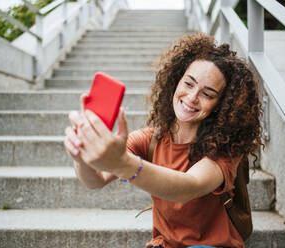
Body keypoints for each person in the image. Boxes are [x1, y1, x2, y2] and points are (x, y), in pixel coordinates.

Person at [63, 32, 263, 248]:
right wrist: (81, 155)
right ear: (176, 80)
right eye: (189, 83)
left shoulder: (226, 149)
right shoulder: (150, 139)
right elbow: (96, 180)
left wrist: (122, 163)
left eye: (207, 94)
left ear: (222, 105)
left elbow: (188, 188)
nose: (192, 97)